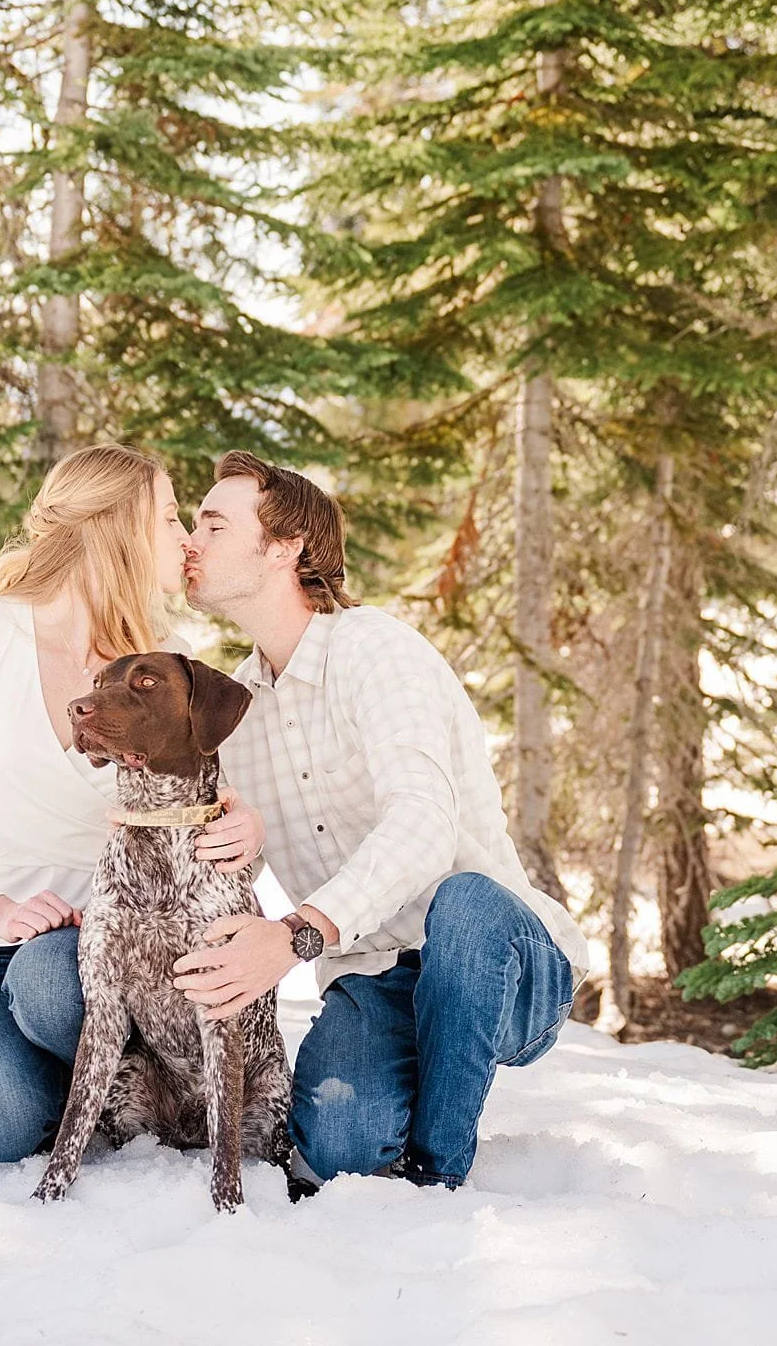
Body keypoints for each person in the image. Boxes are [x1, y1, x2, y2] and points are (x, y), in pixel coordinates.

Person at [175, 451, 587, 1190]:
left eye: (211, 523)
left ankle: (437, 1174)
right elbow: (214, 850)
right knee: (338, 1146)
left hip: (495, 956)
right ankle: (411, 1089)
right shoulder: (235, 707)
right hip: (374, 972)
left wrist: (297, 932)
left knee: (462, 903)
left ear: (284, 547)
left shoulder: (376, 650)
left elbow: (424, 823)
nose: (189, 541)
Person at [0, 445, 257, 1163]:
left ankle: (93, 1075)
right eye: (169, 517)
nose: (184, 537)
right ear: (114, 528)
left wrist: (243, 825)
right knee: (4, 1126)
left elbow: (211, 810)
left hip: (91, 957)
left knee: (49, 982)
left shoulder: (162, 661)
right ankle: (61, 1081)